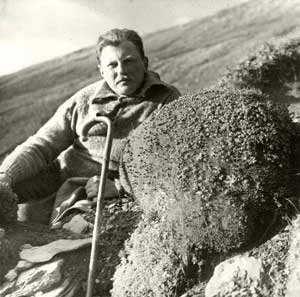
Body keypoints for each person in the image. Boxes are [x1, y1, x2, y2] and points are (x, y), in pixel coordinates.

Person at [0, 28, 181, 224]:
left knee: (73, 234)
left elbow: (169, 164)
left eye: (129, 61)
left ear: (144, 63)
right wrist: (5, 176)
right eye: (112, 65)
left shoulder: (166, 101)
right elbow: (41, 145)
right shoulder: (86, 99)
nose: (121, 71)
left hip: (102, 191)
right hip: (57, 177)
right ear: (102, 70)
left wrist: (120, 187)